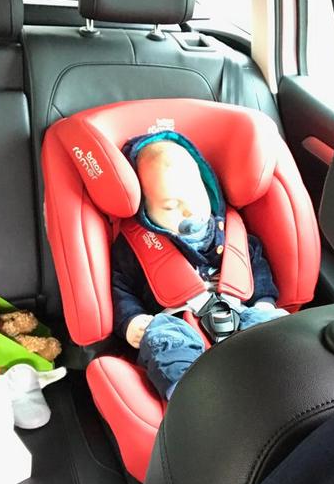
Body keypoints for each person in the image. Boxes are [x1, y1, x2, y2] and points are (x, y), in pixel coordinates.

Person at [111, 131, 287, 399]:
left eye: (195, 195)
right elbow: (120, 286)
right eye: (171, 206)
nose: (189, 211)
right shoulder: (135, 245)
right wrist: (131, 319)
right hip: (176, 320)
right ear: (145, 208)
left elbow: (256, 267)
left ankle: (282, 377)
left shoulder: (232, 233)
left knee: (274, 323)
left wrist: (264, 302)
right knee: (162, 339)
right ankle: (189, 397)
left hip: (239, 312)